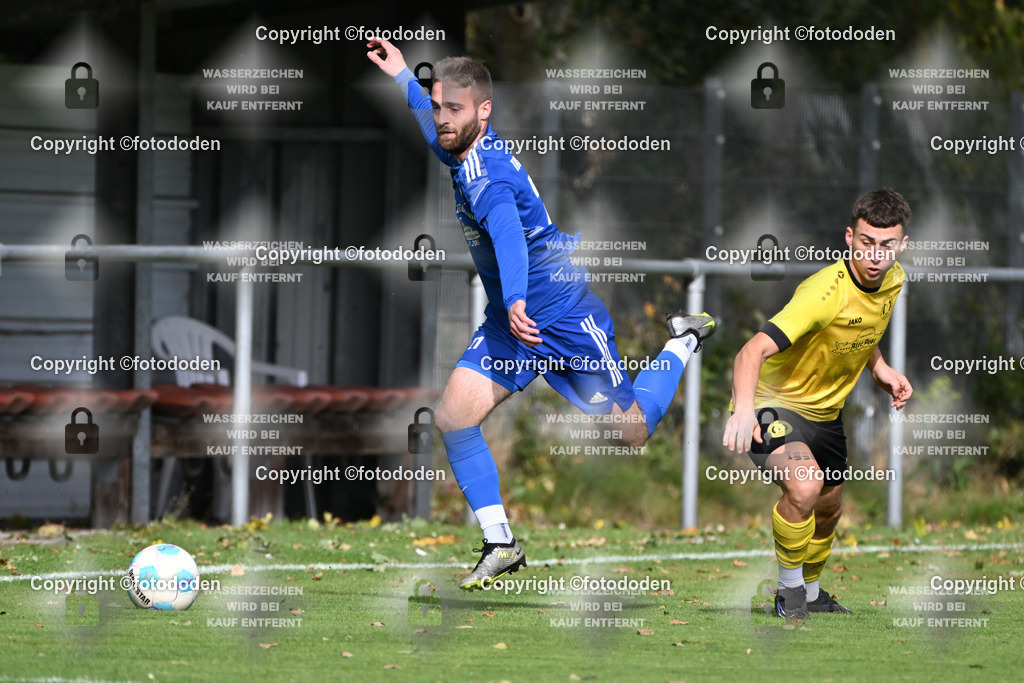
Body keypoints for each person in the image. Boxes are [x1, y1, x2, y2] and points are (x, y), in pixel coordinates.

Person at [367, 37, 716, 589]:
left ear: (484, 110)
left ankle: (682, 341)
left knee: (631, 433)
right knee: (454, 418)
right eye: (437, 107)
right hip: (515, 323)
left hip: (563, 315)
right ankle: (500, 543)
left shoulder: (486, 175)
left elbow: (509, 236)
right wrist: (403, 77)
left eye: (453, 108)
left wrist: (515, 298)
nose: (442, 118)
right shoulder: (461, 146)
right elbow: (433, 127)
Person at [723, 188, 913, 618]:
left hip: (825, 414)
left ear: (902, 245)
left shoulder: (894, 280)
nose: (875, 255)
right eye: (866, 242)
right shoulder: (822, 293)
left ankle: (810, 593)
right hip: (773, 403)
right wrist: (745, 410)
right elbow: (751, 351)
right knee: (805, 485)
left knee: (828, 510)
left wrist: (880, 368)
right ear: (849, 237)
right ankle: (789, 595)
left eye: (886, 246)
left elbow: (861, 328)